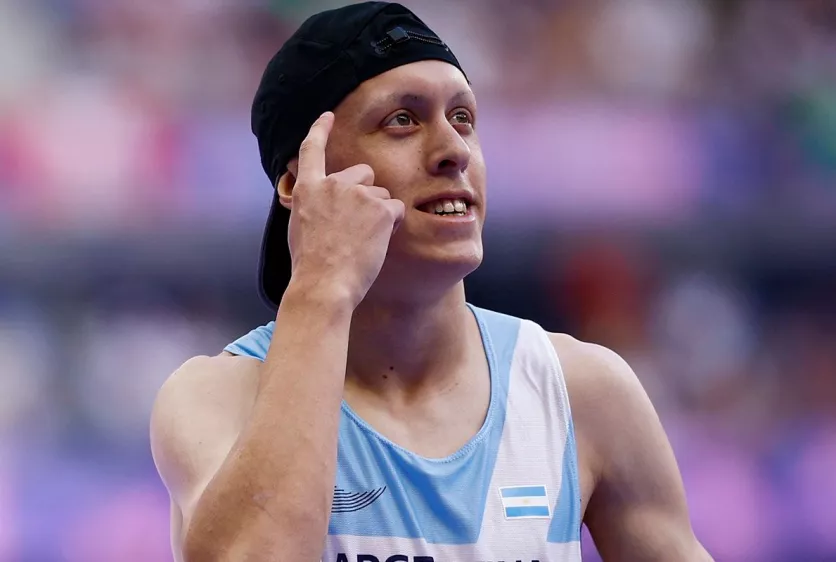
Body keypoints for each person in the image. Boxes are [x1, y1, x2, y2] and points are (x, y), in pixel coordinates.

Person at [149, 2, 713, 561]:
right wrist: (321, 288)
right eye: (403, 120)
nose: (453, 151)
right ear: (301, 180)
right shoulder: (217, 397)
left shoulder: (580, 392)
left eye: (463, 117)